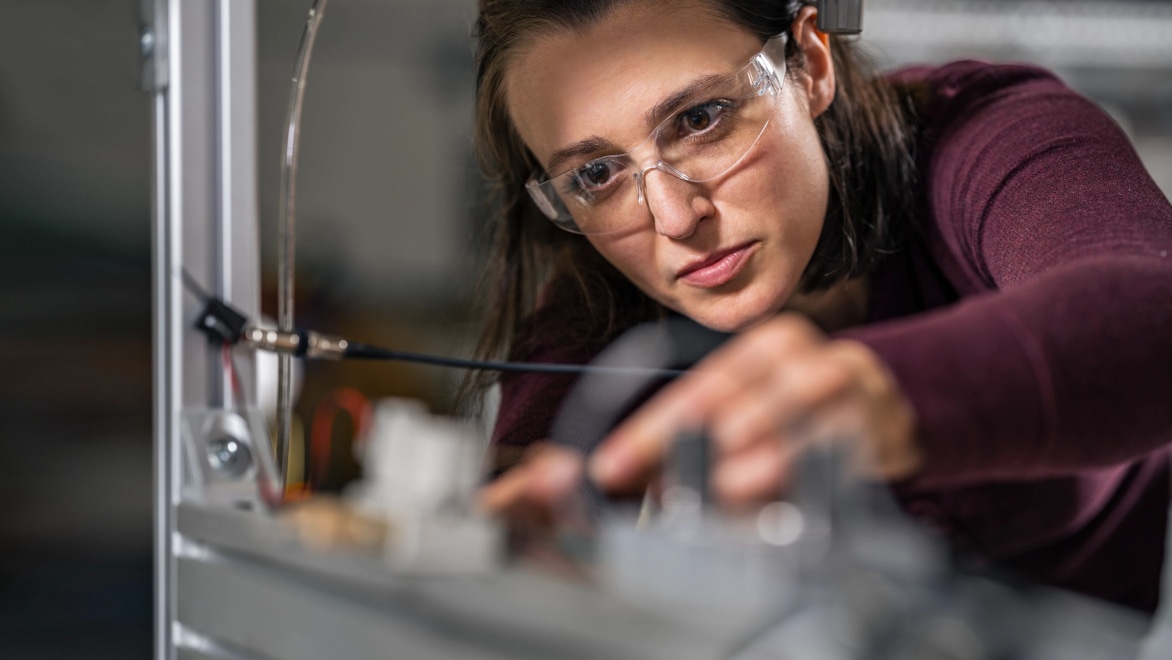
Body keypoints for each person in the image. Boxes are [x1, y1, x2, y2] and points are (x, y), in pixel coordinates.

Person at [465, 0, 1172, 614]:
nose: (673, 218)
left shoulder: (988, 136)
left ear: (809, 63)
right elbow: (524, 498)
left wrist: (878, 393)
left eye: (700, 118)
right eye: (596, 173)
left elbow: (1151, 311)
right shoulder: (598, 298)